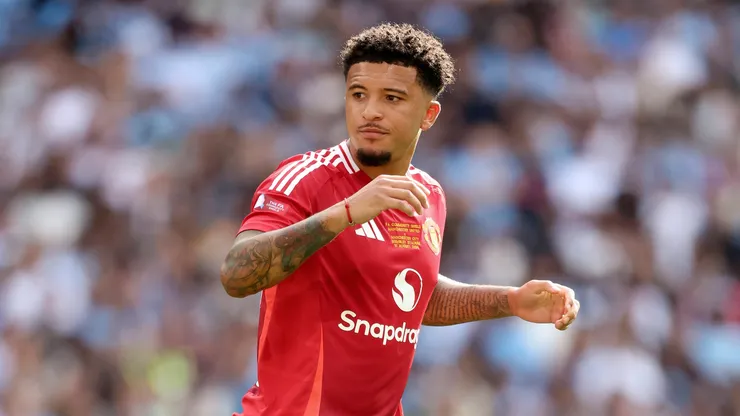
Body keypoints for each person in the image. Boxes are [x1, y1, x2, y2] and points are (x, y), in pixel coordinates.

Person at [220, 23, 580, 416]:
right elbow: (236, 274)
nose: (370, 111)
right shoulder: (306, 178)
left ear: (429, 114)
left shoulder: (428, 195)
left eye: (392, 98)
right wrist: (346, 213)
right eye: (358, 94)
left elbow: (409, 296)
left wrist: (509, 301)